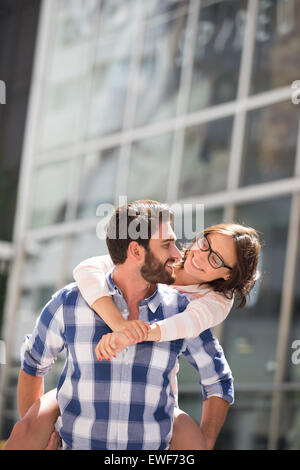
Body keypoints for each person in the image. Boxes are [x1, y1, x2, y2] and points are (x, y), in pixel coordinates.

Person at [3, 200, 259, 450]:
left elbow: (193, 338)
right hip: (78, 412)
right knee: (36, 419)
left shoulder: (205, 304)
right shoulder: (73, 300)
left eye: (216, 259)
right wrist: (118, 323)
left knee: (185, 432)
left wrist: (133, 335)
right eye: (204, 243)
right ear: (136, 252)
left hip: (154, 409)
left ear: (227, 274)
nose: (186, 254)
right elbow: (87, 268)